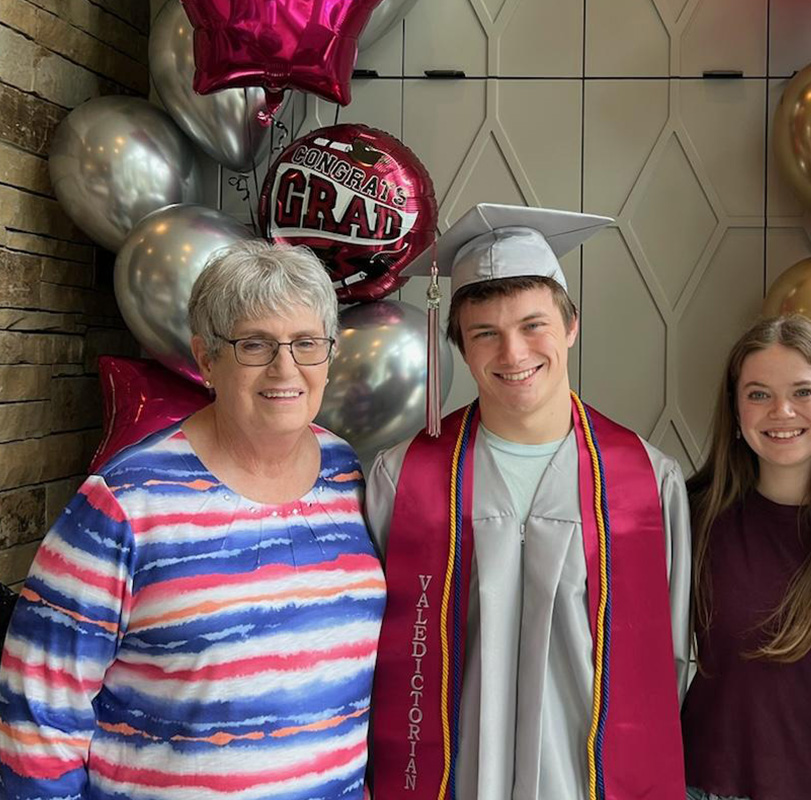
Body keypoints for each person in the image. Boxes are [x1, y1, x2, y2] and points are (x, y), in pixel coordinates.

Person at [0, 241, 386, 798]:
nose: (286, 367)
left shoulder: (349, 476)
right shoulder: (125, 502)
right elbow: (37, 708)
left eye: (306, 343)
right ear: (207, 359)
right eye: (255, 344)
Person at [366, 203, 691, 800]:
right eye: (485, 332)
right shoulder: (403, 478)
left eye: (533, 325)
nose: (513, 354)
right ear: (461, 347)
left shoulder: (647, 481)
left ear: (571, 325)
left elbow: (666, 663)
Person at [682, 315, 811, 800]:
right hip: (709, 785)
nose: (781, 411)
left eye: (802, 392)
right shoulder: (690, 517)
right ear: (735, 411)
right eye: (758, 394)